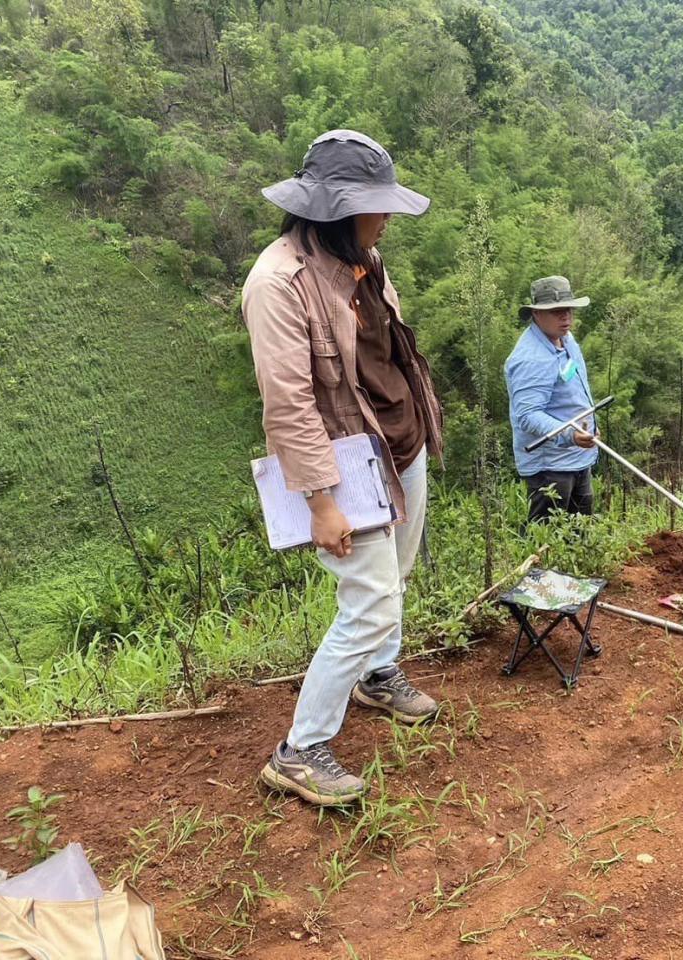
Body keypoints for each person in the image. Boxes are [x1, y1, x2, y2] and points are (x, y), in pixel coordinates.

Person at [242, 130, 444, 806]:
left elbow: (391, 355)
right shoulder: (278, 285)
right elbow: (290, 403)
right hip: (343, 467)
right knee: (371, 599)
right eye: (374, 205)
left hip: (398, 446)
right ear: (333, 209)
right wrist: (322, 501)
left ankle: (378, 675)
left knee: (396, 577)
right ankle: (299, 750)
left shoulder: (366, 259)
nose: (386, 218)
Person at [504, 276, 599, 523]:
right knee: (547, 536)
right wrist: (569, 434)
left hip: (577, 457)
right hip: (550, 466)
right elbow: (528, 415)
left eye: (568, 310)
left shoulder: (565, 339)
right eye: (556, 312)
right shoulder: (530, 358)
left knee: (580, 532)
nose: (565, 317)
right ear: (536, 314)